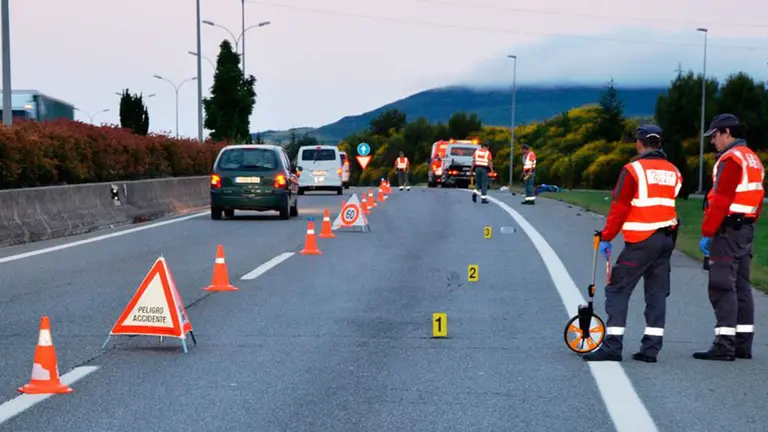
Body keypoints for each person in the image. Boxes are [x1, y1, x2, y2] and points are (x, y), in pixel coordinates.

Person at [583, 125, 682, 363]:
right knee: (656, 294)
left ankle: (612, 346)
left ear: (639, 143)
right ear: (659, 144)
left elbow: (619, 207)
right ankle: (650, 349)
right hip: (666, 238)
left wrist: (607, 236)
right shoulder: (674, 171)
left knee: (617, 289)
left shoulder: (633, 170)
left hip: (641, 240)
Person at [694, 113, 765, 361]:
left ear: (726, 132)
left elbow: (722, 199)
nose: (713, 141)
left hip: (728, 230)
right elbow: (757, 198)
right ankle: (743, 344)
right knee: (742, 286)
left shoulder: (731, 159)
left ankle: (724, 345)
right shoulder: (752, 158)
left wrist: (707, 232)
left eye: (714, 135)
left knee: (722, 285)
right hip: (745, 229)